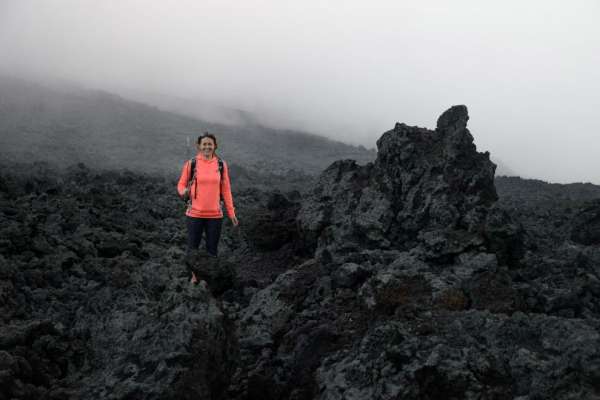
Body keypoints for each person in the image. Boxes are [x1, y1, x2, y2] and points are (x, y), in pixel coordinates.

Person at [177, 132, 239, 284]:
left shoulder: (220, 165)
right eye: (204, 144)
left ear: (215, 146)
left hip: (215, 215)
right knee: (193, 248)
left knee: (212, 250)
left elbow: (226, 190)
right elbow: (181, 184)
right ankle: (194, 276)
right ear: (199, 146)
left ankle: (209, 279)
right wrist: (183, 191)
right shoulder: (191, 164)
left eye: (210, 144)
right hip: (194, 214)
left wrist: (231, 212)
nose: (207, 146)